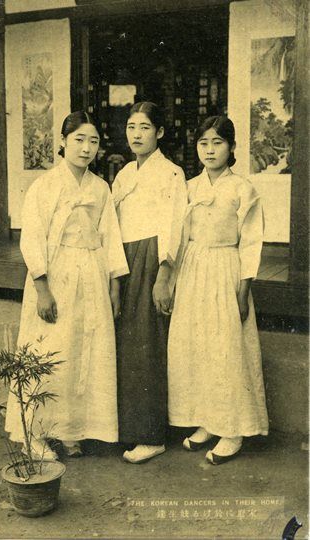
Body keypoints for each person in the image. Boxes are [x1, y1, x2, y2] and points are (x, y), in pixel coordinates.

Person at [5, 111, 129, 460]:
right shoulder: (45, 186)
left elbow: (111, 239)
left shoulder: (100, 187)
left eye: (93, 141)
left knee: (83, 351)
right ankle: (37, 435)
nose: (86, 148)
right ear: (62, 142)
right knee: (52, 350)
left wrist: (114, 285)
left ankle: (72, 429)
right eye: (78, 140)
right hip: (55, 275)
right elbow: (32, 238)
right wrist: (42, 287)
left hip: (91, 272)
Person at [168, 116, 269, 464]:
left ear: (232, 147)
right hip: (194, 269)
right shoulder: (190, 188)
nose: (209, 150)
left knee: (226, 347)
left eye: (217, 143)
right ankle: (207, 421)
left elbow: (251, 243)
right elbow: (179, 237)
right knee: (198, 347)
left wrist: (243, 289)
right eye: (203, 143)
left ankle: (232, 429)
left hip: (227, 269)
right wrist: (173, 278)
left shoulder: (242, 189)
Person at [112, 101, 187, 464]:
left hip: (152, 257)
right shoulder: (125, 173)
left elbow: (174, 226)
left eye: (144, 127)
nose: (137, 134)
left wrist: (165, 273)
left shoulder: (172, 173)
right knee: (124, 344)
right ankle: (123, 428)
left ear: (159, 132)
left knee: (146, 341)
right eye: (131, 127)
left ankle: (151, 434)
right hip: (123, 258)